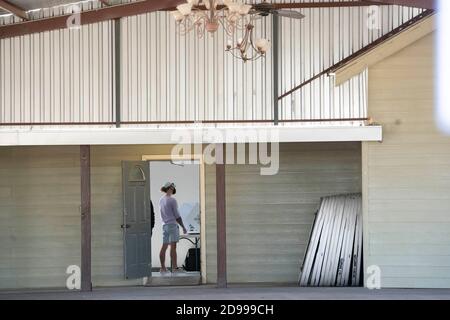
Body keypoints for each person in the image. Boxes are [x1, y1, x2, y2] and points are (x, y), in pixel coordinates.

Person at [159, 182, 187, 273]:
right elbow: (177, 216)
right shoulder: (172, 200)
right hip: (172, 225)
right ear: (169, 189)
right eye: (172, 188)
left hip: (164, 225)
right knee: (173, 247)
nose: (172, 189)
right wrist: (183, 226)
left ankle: (163, 268)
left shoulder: (161, 200)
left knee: (164, 247)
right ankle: (175, 268)